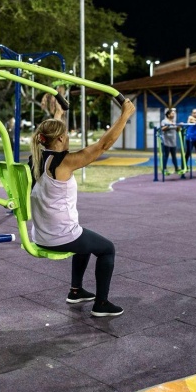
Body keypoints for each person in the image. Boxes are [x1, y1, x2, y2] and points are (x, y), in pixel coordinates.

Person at [28, 98, 136, 317]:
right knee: (107, 249)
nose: (68, 137)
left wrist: (58, 115)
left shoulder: (36, 159)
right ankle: (101, 304)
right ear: (60, 138)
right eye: (65, 134)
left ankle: (76, 291)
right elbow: (102, 145)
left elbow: (51, 134)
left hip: (41, 235)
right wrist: (124, 115)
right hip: (59, 236)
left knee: (84, 239)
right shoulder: (64, 162)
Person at [159, 109, 180, 175]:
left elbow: (177, 130)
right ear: (168, 115)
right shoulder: (164, 121)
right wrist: (169, 125)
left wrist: (178, 126)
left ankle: (176, 168)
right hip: (166, 141)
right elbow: (162, 129)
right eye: (172, 114)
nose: (173, 115)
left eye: (174, 114)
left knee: (174, 156)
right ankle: (164, 169)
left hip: (173, 142)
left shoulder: (174, 122)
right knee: (166, 156)